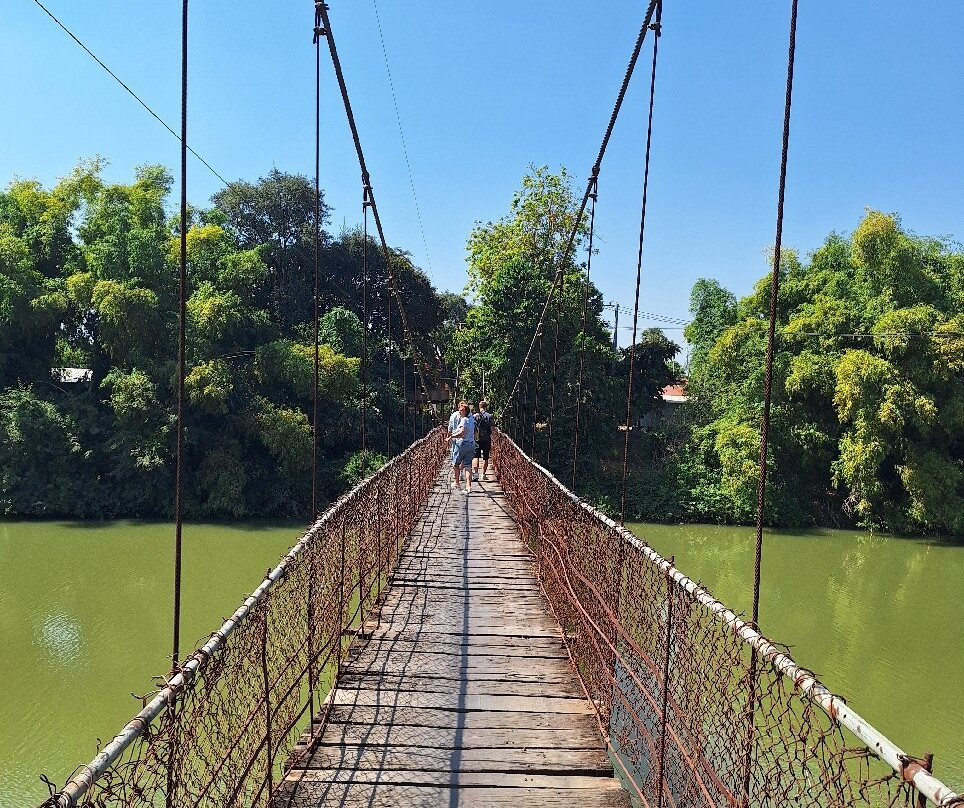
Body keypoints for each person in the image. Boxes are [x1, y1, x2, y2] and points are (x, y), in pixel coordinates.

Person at [449, 401, 477, 493]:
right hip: (471, 444)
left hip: (462, 444)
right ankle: (468, 487)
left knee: (455, 464)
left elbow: (461, 433)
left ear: (465, 411)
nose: (459, 412)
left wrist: (451, 436)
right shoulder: (472, 419)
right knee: (468, 465)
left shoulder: (464, 420)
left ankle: (456, 483)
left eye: (461, 410)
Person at [473, 400, 495, 481]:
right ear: (486, 407)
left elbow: (472, 427)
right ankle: (483, 474)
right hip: (486, 439)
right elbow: (492, 428)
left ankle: (475, 474)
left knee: (475, 456)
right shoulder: (490, 416)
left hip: (476, 439)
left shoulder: (474, 416)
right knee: (486, 457)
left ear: (479, 406)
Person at [448, 400, 467, 488]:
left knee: (455, 460)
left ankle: (456, 479)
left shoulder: (453, 415)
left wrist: (448, 437)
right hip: (464, 440)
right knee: (463, 457)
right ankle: (460, 474)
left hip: (455, 440)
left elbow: (450, 428)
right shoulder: (467, 417)